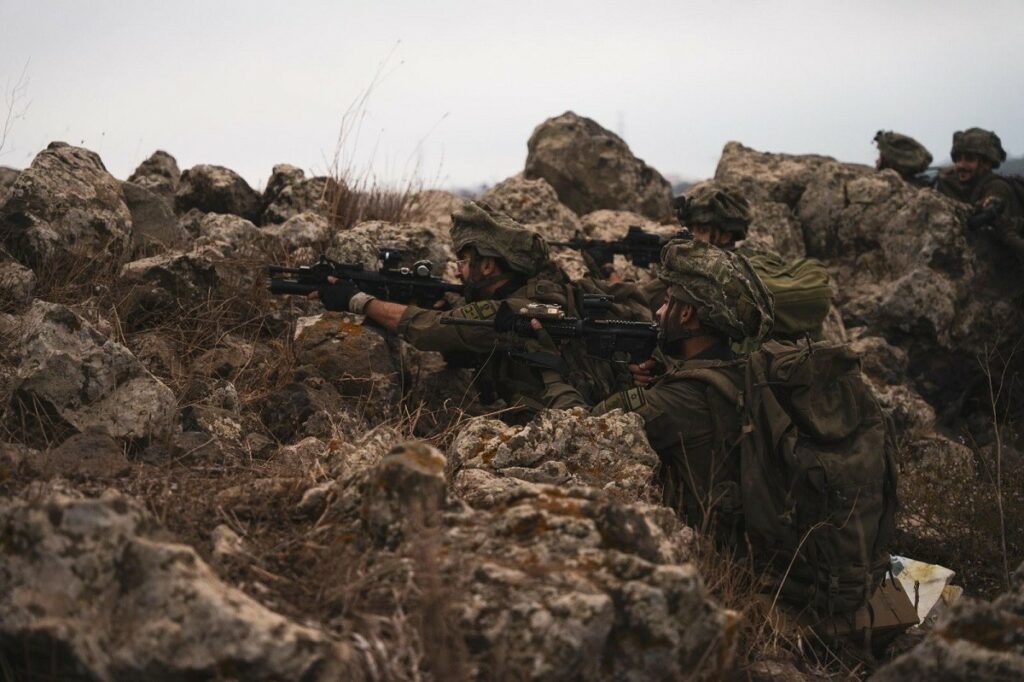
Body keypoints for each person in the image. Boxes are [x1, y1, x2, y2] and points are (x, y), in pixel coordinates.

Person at [311, 200, 650, 423]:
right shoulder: (543, 291)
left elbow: (427, 329)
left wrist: (356, 300)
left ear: (487, 266)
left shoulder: (511, 311)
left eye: (463, 262)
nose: (457, 271)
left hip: (561, 420)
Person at [541, 239, 774, 530]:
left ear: (687, 314)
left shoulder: (674, 401)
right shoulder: (741, 366)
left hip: (711, 548)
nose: (660, 312)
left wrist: (550, 368)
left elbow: (578, 432)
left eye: (666, 302)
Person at [934, 127, 1024, 263]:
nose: (961, 165)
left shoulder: (997, 187)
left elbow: (987, 220)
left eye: (969, 159)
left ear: (986, 164)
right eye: (958, 159)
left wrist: (986, 209)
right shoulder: (956, 183)